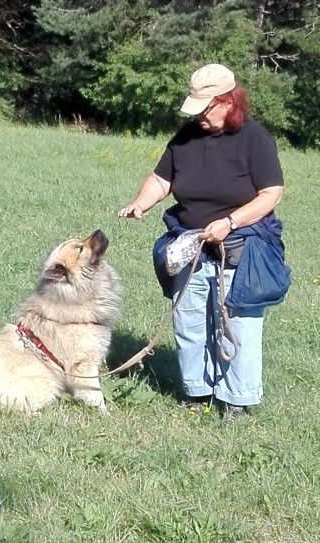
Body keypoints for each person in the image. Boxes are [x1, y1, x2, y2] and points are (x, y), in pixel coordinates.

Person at [118, 63, 290, 422]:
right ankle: (196, 393)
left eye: (205, 107)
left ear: (228, 102)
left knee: (236, 324)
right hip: (190, 243)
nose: (198, 116)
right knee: (189, 321)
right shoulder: (186, 137)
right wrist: (141, 202)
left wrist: (230, 222)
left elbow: (271, 193)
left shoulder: (255, 139)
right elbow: (161, 178)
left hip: (241, 245)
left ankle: (237, 401)